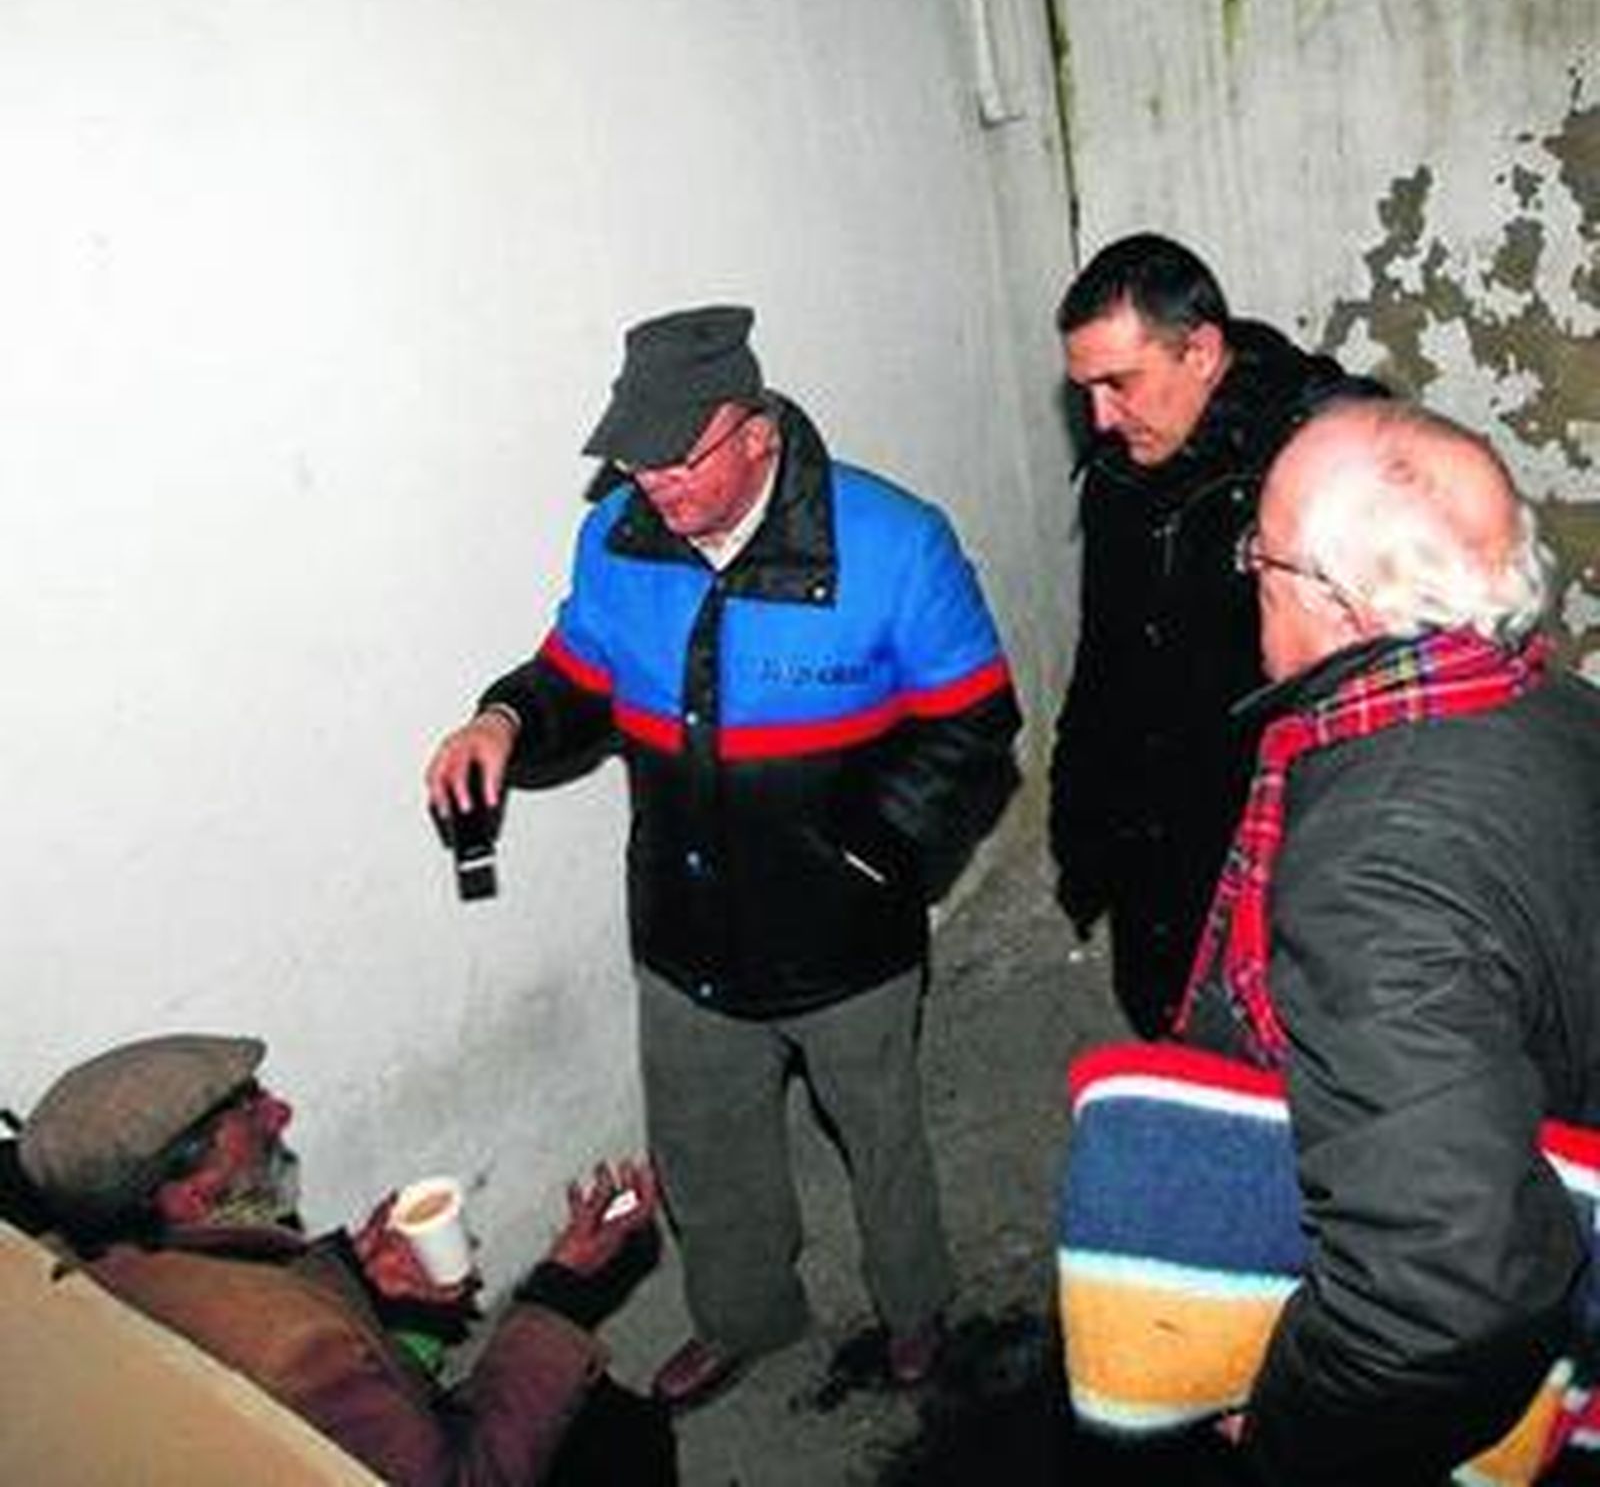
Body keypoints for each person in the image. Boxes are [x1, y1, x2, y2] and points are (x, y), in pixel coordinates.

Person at [426, 304, 1022, 1407]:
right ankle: (743, 1315)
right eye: (634, 459)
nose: (654, 483)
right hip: (684, 929)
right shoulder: (616, 535)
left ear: (755, 433)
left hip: (847, 933)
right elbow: (575, 672)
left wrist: (870, 852)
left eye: (678, 459)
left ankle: (914, 1307)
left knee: (879, 1132)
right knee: (706, 1148)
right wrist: (504, 718)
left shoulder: (893, 542)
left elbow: (976, 727)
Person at [1175, 398, 1600, 1483]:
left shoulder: (1374, 871)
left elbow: (1441, 1289)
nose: (1248, 579)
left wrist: (1289, 1428)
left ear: (1334, 602)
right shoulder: (1555, 703)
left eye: (1257, 558)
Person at [10, 1032, 674, 1486]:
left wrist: (355, 1273)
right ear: (192, 1192)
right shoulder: (295, 1350)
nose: (280, 1112)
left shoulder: (83, 1248)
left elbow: (225, 1283)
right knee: (615, 1430)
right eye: (249, 1113)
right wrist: (562, 1289)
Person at [1047, 233, 1383, 1038]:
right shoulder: (1121, 470)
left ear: (1199, 350)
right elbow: (1105, 659)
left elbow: (1388, 692)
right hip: (1156, 847)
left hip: (1284, 848)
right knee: (1176, 1043)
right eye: (1084, 388)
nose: (1098, 415)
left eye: (1119, 383)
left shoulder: (1332, 464)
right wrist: (1080, 824)